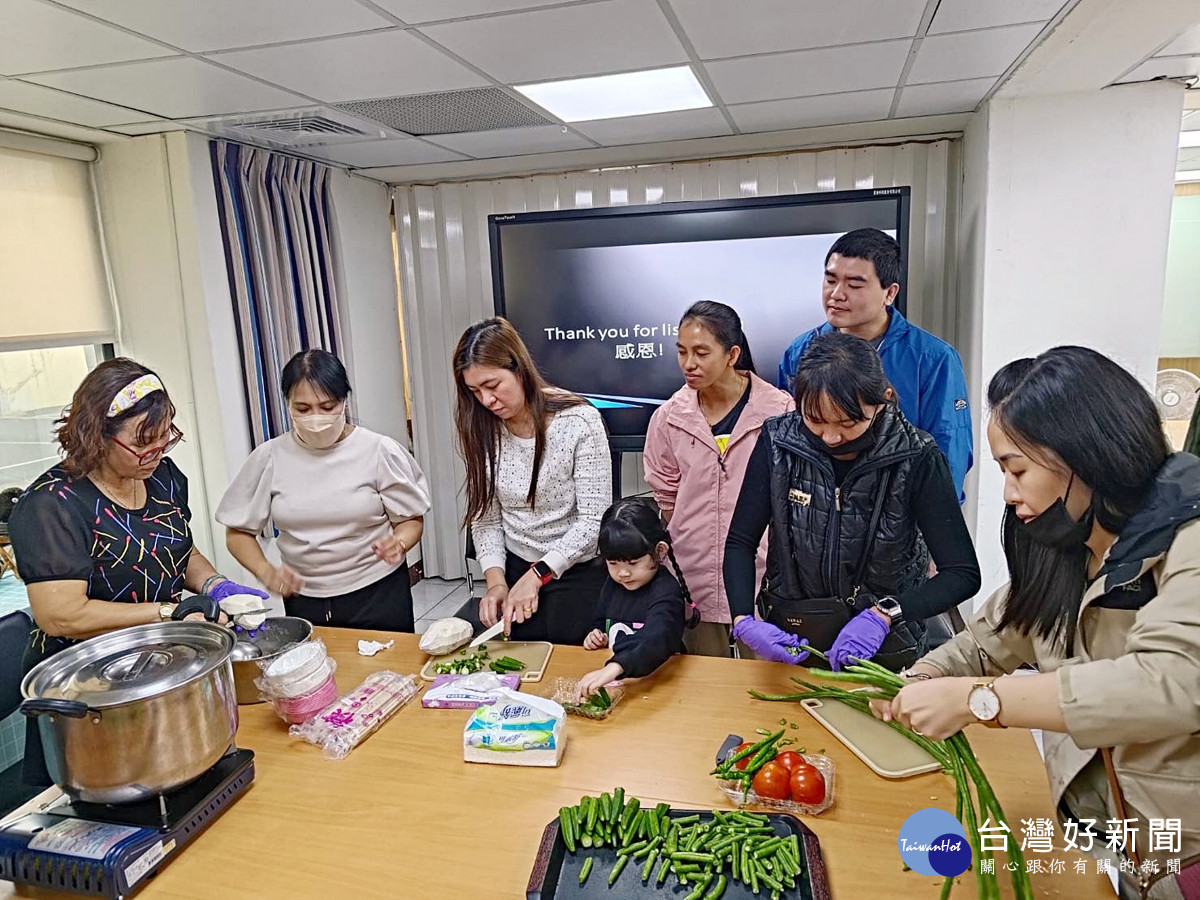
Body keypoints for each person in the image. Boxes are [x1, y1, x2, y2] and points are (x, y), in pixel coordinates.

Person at [872, 347, 1200, 896]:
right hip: (1104, 841)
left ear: (1082, 456)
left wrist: (983, 701)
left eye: (1015, 469)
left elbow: (1171, 681)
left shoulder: (1188, 539)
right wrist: (920, 682)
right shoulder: (1068, 544)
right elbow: (986, 642)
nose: (1008, 492)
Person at [8, 358, 263, 783]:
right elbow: (62, 616)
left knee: (183, 774)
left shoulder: (162, 477)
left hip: (158, 669)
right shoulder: (52, 506)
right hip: (89, 695)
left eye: (165, 439)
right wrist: (167, 613)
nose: (157, 452)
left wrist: (215, 585)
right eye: (144, 441)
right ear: (96, 435)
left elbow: (175, 547)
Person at [724, 332, 980, 671]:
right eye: (814, 420)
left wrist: (886, 614)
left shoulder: (916, 456)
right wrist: (744, 619)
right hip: (794, 642)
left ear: (883, 399)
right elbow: (740, 543)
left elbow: (961, 574)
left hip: (886, 651)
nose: (831, 437)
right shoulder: (777, 443)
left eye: (848, 423)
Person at [218, 349, 430, 631]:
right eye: (303, 409)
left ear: (344, 401)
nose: (316, 418)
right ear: (288, 404)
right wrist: (266, 571)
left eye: (328, 407)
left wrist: (399, 542)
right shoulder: (270, 457)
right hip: (304, 598)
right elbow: (238, 532)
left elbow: (411, 520)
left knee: (389, 672)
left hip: (377, 592)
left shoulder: (378, 451)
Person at [777, 228, 973, 501]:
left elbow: (949, 454)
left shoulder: (932, 359)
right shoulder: (800, 352)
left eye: (854, 285)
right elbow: (787, 442)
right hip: (818, 518)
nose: (836, 294)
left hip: (900, 521)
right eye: (830, 280)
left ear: (889, 293)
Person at [644, 301, 792, 657]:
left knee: (767, 680)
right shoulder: (669, 418)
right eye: (681, 352)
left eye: (701, 352)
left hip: (763, 575)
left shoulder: (780, 411)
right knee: (703, 685)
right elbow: (667, 497)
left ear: (732, 354)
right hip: (693, 575)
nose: (688, 364)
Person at [455, 318, 611, 645]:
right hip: (515, 569)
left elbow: (594, 521)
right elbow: (485, 518)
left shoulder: (579, 420)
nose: (486, 400)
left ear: (519, 369)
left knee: (572, 671)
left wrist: (540, 573)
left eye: (493, 385)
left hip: (574, 571)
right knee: (523, 670)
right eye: (475, 391)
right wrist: (497, 583)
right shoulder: (483, 428)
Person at [576, 498, 694, 700]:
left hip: (661, 686)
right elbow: (600, 621)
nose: (622, 573)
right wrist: (595, 635)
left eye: (633, 563)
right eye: (613, 563)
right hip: (621, 682)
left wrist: (615, 667)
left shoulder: (666, 590)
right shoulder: (613, 585)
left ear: (659, 551)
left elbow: (657, 636)